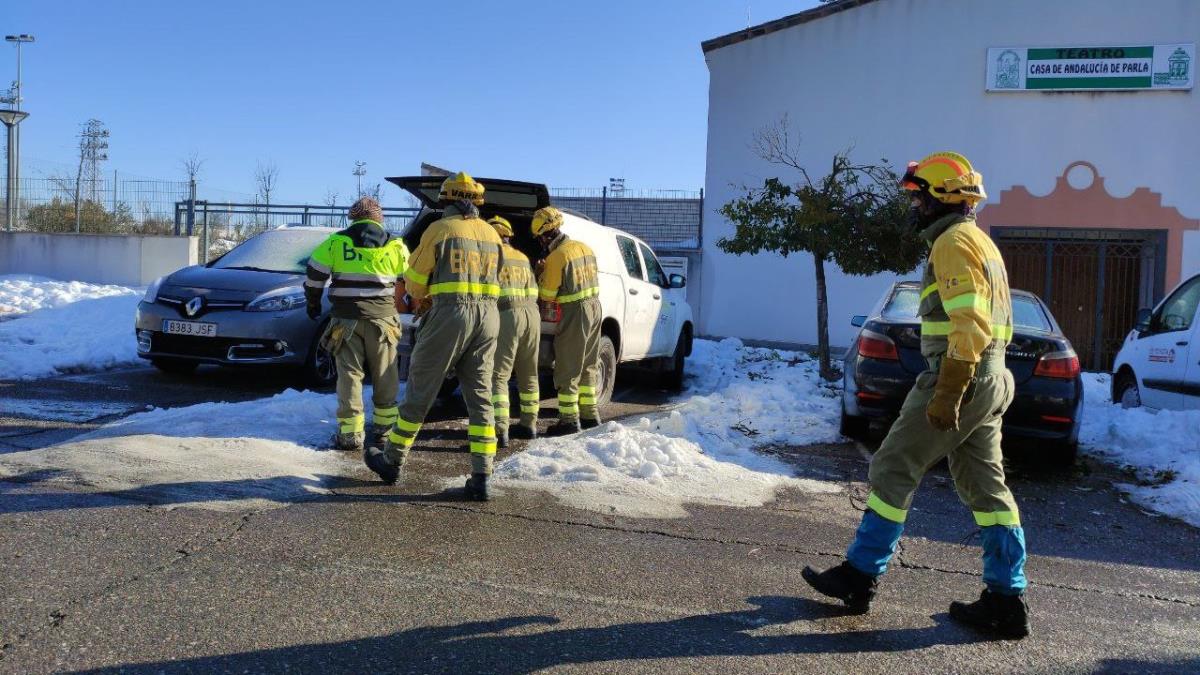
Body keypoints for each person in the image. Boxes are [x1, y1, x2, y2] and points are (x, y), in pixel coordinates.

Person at [801, 152, 1030, 639]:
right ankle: (1006, 601)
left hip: (960, 373)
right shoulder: (981, 243)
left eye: (917, 195)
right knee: (987, 490)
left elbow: (970, 324)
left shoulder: (951, 242)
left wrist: (948, 390)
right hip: (991, 378)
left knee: (891, 467)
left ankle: (859, 577)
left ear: (941, 198)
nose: (913, 205)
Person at [366, 172, 503, 502]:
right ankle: (482, 476)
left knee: (421, 388)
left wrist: (425, 296)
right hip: (489, 317)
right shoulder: (492, 234)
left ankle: (392, 461)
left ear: (447, 202)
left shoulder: (440, 230)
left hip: (449, 315)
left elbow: (413, 283)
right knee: (480, 395)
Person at [304, 197, 409, 451]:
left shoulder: (336, 242)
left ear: (353, 218)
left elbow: (314, 275)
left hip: (345, 320)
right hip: (383, 321)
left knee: (349, 375)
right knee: (386, 374)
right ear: (379, 218)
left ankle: (350, 435)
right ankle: (384, 431)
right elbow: (411, 280)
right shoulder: (396, 244)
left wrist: (313, 303)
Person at [532, 206, 602, 436]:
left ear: (546, 234)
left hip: (575, 313)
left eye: (539, 237)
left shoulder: (556, 257)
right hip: (594, 308)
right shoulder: (585, 248)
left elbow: (548, 294)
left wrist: (541, 273)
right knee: (588, 365)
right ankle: (590, 415)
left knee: (567, 368)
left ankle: (569, 421)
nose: (540, 242)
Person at [488, 215, 541, 447]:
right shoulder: (522, 257)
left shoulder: (492, 255)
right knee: (529, 373)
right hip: (532, 315)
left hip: (507, 314)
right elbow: (534, 290)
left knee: (498, 375)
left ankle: (500, 430)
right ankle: (529, 425)